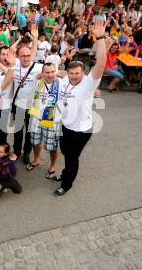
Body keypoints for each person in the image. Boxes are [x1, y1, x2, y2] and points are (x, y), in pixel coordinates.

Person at [52, 19, 107, 196]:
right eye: (71, 73)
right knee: (65, 151)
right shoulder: (65, 78)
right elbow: (57, 72)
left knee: (71, 157)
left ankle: (67, 184)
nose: (74, 76)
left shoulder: (87, 84)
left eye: (77, 73)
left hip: (81, 129)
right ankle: (65, 174)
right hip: (66, 125)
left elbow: (100, 64)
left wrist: (100, 38)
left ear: (83, 74)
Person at [11, 25, 41, 164]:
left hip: (33, 106)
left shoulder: (37, 67)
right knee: (18, 131)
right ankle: (16, 151)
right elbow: (10, 51)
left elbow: (55, 73)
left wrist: (35, 38)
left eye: (28, 55)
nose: (26, 58)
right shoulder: (15, 66)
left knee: (30, 131)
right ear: (18, 57)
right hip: (18, 105)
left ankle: (27, 152)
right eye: (23, 55)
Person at [26, 63, 60, 178]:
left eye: (52, 72)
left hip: (51, 120)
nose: (50, 75)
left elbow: (77, 78)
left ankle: (53, 166)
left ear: (55, 71)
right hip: (36, 117)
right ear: (42, 73)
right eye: (47, 72)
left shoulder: (61, 83)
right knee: (35, 142)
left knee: (52, 146)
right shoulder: (38, 81)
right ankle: (36, 159)